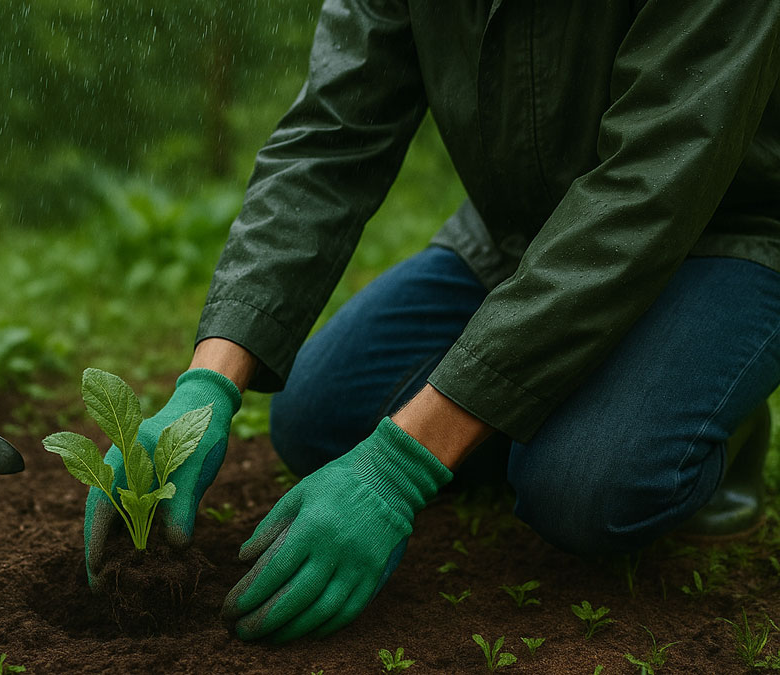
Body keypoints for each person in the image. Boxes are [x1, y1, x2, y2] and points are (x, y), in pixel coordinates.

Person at [85, 0, 780, 643]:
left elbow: (650, 189)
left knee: (585, 488)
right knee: (317, 416)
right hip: (523, 234)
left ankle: (714, 413)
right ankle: (551, 393)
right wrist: (207, 387)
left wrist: (403, 462)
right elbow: (329, 141)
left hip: (725, 228)